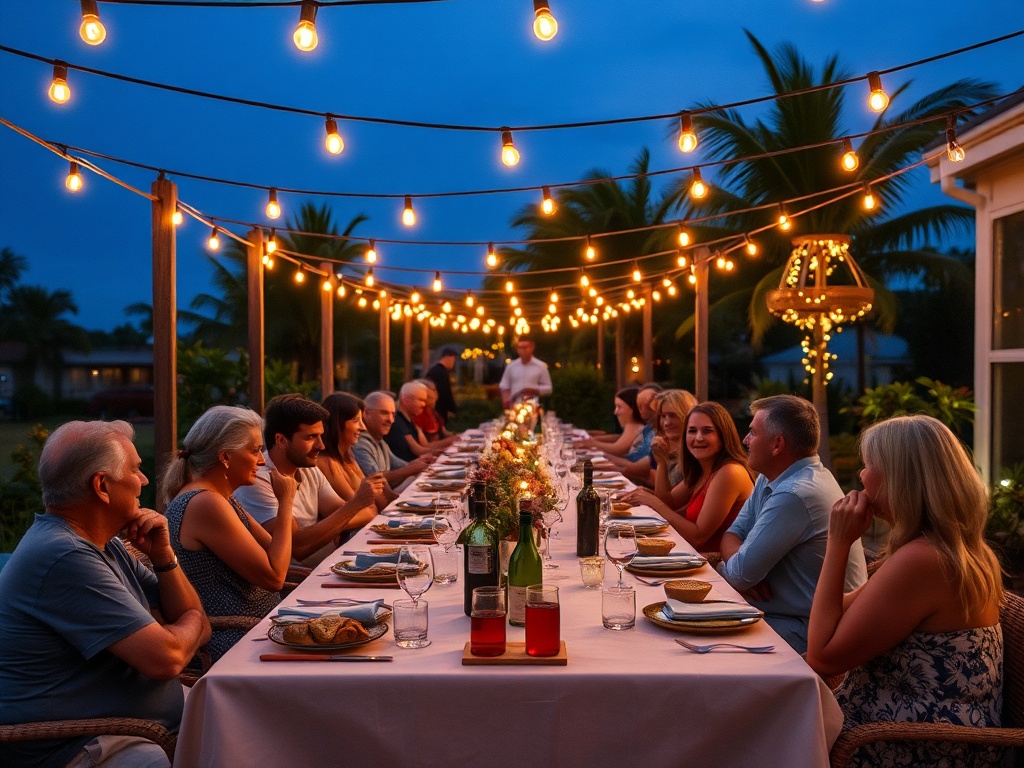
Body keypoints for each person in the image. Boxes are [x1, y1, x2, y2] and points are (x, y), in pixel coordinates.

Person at [0, 420, 210, 768]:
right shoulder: (64, 556)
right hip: (66, 747)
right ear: (101, 485)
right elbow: (169, 658)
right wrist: (190, 622)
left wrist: (164, 557)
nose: (143, 481)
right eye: (136, 470)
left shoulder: (105, 545)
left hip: (126, 729)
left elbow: (195, 632)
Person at [806, 415, 1003, 767]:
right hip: (902, 729)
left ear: (900, 479)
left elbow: (822, 656)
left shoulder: (923, 560)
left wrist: (837, 543)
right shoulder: (941, 548)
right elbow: (839, 614)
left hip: (916, 744)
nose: (862, 477)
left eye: (869, 466)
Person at [717, 395, 868, 654]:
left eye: (753, 432)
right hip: (783, 616)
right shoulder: (775, 476)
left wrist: (734, 568)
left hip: (808, 629)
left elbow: (739, 576)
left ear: (777, 444)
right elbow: (733, 534)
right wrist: (740, 565)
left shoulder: (796, 493)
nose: (745, 440)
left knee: (699, 644)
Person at [162, 405, 298, 661]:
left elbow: (275, 549)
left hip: (261, 627)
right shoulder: (205, 503)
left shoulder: (222, 498)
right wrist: (286, 502)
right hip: (236, 639)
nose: (262, 460)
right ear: (225, 457)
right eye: (256, 450)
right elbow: (275, 576)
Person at [233, 394, 380, 568]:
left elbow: (368, 512)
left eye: (321, 436)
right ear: (281, 440)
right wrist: (353, 506)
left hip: (325, 567)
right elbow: (299, 547)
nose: (321, 446)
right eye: (310, 437)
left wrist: (333, 525)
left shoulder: (309, 468)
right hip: (296, 582)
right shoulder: (258, 479)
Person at [623, 401, 754, 553]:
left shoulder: (729, 472)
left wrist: (653, 502)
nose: (698, 437)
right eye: (692, 431)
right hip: (690, 557)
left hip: (714, 569)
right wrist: (661, 463)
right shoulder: (703, 470)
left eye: (707, 431)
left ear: (723, 436)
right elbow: (668, 502)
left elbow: (698, 537)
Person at [317, 391, 397, 510]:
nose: (363, 427)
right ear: (337, 424)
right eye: (356, 421)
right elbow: (365, 509)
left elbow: (382, 502)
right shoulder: (327, 463)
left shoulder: (348, 457)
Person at [354, 390, 432, 491]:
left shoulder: (379, 440)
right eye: (384, 413)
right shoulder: (359, 444)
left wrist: (423, 462)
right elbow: (374, 478)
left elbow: (401, 466)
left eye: (393, 414)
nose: (391, 420)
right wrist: (409, 470)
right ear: (366, 413)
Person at [600, 384, 664, 485]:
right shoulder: (648, 429)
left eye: (646, 406)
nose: (642, 411)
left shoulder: (660, 437)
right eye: (639, 406)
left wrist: (596, 451)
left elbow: (634, 468)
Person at [649, 389, 698, 503]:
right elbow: (665, 494)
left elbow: (667, 502)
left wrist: (661, 462)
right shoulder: (665, 448)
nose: (667, 422)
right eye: (663, 416)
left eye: (673, 416)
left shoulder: (695, 455)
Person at [582, 387, 645, 459]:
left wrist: (591, 443)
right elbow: (618, 438)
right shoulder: (635, 425)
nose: (615, 412)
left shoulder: (635, 426)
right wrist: (593, 440)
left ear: (633, 408)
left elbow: (618, 449)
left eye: (619, 407)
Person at [499, 335, 553, 407]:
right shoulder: (511, 367)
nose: (522, 350)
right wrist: (507, 403)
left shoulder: (541, 366)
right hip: (515, 406)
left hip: (533, 406)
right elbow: (504, 386)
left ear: (532, 347)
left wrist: (535, 390)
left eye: (525, 347)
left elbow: (549, 388)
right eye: (520, 348)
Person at [425, 346, 459, 426]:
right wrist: (453, 409)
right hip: (439, 410)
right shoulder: (441, 372)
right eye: (453, 359)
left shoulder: (435, 370)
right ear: (447, 357)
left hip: (435, 409)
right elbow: (445, 393)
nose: (454, 362)